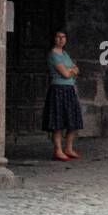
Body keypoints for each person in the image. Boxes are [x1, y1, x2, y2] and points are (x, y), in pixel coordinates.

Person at [43, 30, 84, 161]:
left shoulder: (65, 54)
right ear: (54, 39)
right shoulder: (53, 55)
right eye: (58, 37)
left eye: (63, 37)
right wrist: (72, 71)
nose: (61, 39)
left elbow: (76, 69)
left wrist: (71, 70)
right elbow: (66, 74)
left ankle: (69, 148)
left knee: (72, 120)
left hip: (69, 89)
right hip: (58, 89)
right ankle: (58, 150)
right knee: (58, 121)